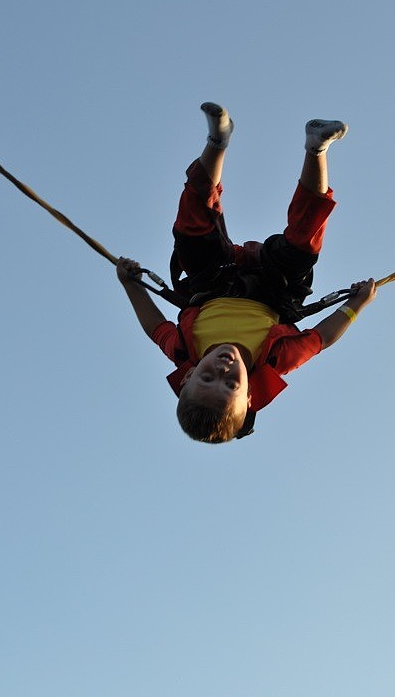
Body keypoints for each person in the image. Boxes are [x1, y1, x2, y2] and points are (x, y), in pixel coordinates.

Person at [117, 103, 376, 443]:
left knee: (191, 229)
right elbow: (322, 338)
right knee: (305, 241)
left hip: (213, 282)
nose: (222, 371)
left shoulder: (183, 350)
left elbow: (155, 327)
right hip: (274, 287)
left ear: (188, 376)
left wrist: (130, 283)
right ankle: (317, 147)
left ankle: (216, 142)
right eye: (231, 385)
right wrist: (356, 305)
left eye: (207, 379)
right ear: (250, 394)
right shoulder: (275, 361)